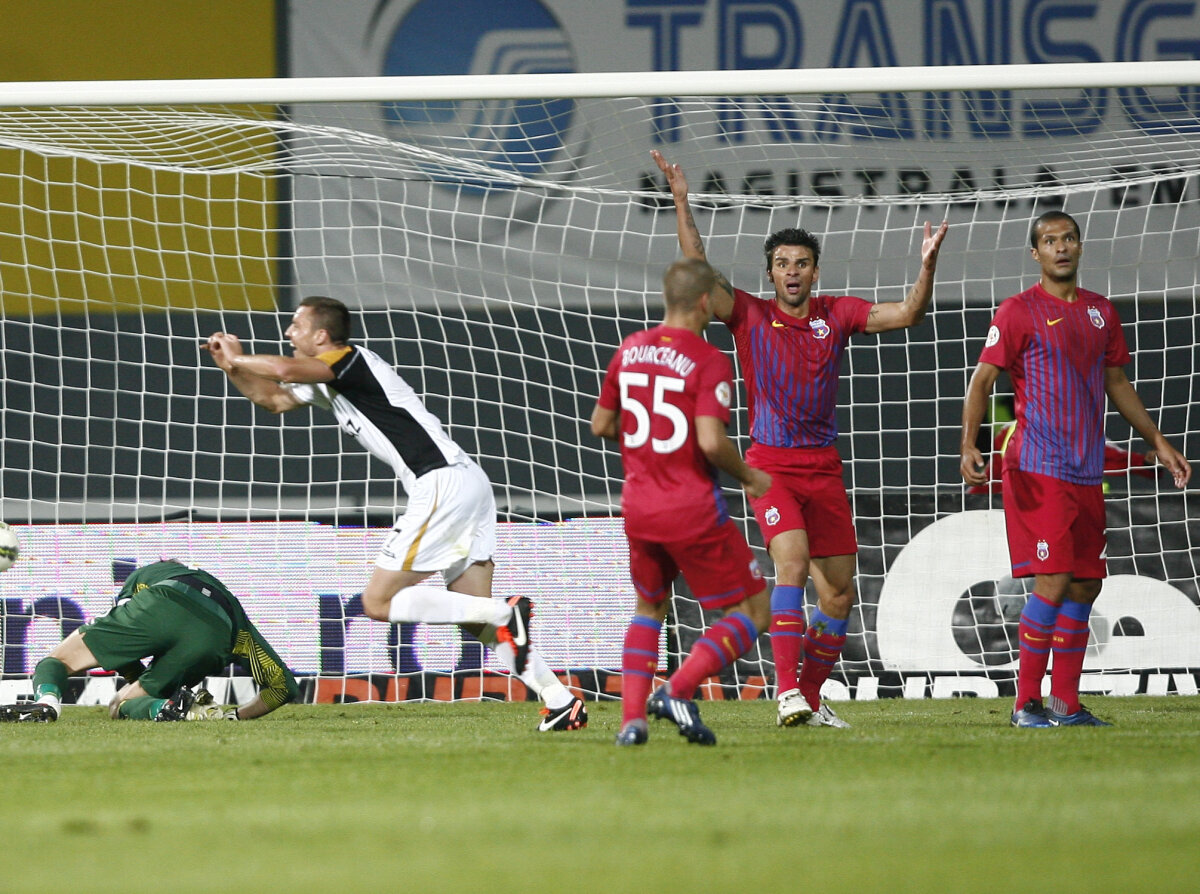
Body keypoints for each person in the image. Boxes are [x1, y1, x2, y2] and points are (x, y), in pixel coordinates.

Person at [652, 150, 949, 728]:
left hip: (824, 470)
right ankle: (786, 691)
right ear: (770, 274)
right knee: (789, 566)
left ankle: (809, 699)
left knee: (840, 595)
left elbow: (908, 314)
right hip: (769, 467)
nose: (792, 271)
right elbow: (698, 263)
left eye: (802, 262)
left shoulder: (837, 315)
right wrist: (682, 200)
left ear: (816, 272)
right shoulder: (749, 315)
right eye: (782, 262)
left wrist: (927, 266)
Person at [204, 296, 586, 732]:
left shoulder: (349, 360)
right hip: (466, 483)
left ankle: (505, 613)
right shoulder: (326, 378)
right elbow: (273, 399)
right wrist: (230, 368)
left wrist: (240, 354)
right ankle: (560, 700)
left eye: (296, 325)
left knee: (377, 602)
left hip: (441, 484)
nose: (289, 332)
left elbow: (285, 371)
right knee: (473, 614)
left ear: (321, 335)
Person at [960, 210, 1191, 728]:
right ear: (1035, 253)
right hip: (1037, 467)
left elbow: (1118, 383)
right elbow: (981, 383)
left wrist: (1157, 443)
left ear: (1080, 247)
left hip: (1085, 470)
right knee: (1055, 577)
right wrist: (968, 447)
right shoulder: (1018, 311)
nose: (1060, 247)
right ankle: (1024, 704)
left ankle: (1065, 704)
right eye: (1048, 241)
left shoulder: (1100, 313)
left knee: (1087, 584)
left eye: (1067, 239)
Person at [592, 257, 772, 746]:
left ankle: (632, 722)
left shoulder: (629, 350)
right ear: (704, 302)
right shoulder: (710, 360)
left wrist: (646, 449)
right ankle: (678, 688)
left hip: (639, 507)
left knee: (649, 606)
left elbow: (601, 425)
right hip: (692, 508)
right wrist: (750, 477)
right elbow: (712, 442)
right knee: (755, 610)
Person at [0, 560, 297, 722]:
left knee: (57, 662)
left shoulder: (148, 574)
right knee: (124, 704)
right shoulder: (240, 621)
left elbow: (125, 642)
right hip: (217, 637)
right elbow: (283, 688)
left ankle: (47, 703)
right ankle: (169, 709)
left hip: (163, 602)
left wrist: (134, 676)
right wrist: (235, 716)